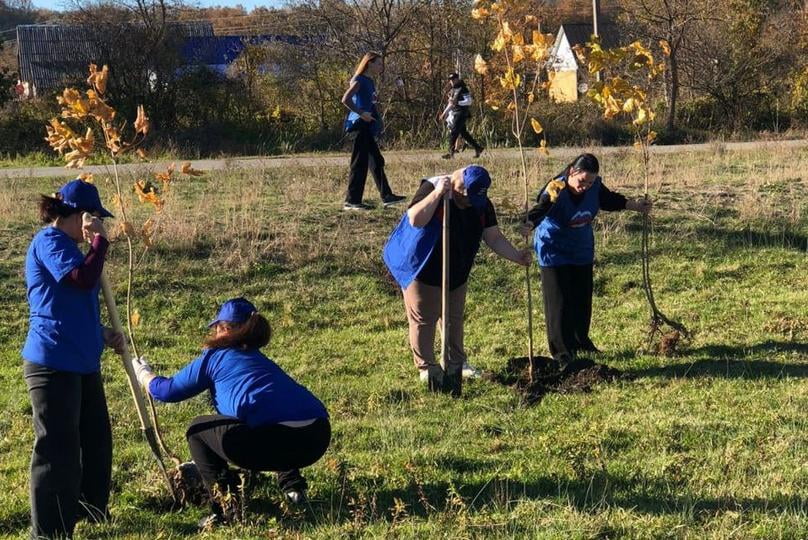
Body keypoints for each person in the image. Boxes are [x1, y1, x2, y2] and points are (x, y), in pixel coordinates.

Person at [133, 298, 331, 528]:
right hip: (317, 436)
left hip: (277, 439)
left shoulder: (215, 358)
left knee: (197, 430)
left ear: (225, 329)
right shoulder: (261, 361)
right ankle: (293, 488)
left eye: (217, 328)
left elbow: (166, 392)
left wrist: (143, 374)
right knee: (270, 418)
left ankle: (225, 509)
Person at [22, 179, 125, 539]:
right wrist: (99, 242)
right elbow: (81, 280)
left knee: (96, 441)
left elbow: (71, 304)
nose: (100, 224)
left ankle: (89, 510)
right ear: (82, 215)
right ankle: (49, 532)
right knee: (57, 451)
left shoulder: (73, 248)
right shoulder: (49, 242)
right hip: (52, 363)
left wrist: (101, 334)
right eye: (96, 217)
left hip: (82, 361)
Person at [383, 165, 531, 396]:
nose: (470, 203)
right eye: (466, 197)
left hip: (457, 268)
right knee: (424, 317)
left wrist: (517, 256)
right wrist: (437, 195)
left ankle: (456, 364)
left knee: (453, 316)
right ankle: (427, 368)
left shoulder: (481, 204)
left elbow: (492, 236)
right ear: (457, 185)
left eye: (475, 199)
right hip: (421, 266)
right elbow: (415, 219)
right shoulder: (433, 187)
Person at [520, 153, 652, 365]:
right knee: (559, 301)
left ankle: (581, 341)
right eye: (582, 181)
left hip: (581, 247)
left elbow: (609, 200)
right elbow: (541, 208)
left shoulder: (595, 186)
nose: (586, 186)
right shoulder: (556, 188)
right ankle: (562, 351)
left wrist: (636, 206)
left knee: (582, 298)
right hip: (554, 247)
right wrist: (528, 224)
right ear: (572, 172)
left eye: (590, 182)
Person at [341, 51, 405, 211]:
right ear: (369, 63)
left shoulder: (370, 82)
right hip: (358, 126)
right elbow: (345, 99)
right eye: (378, 63)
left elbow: (371, 104)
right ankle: (352, 201)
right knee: (359, 163)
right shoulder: (359, 80)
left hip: (366, 127)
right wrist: (362, 113)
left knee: (376, 160)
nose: (381, 66)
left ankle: (387, 197)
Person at [441, 73, 483, 160]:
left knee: (454, 132)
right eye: (450, 80)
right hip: (455, 112)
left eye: (453, 79)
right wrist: (444, 113)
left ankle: (450, 153)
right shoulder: (453, 90)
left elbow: (469, 101)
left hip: (461, 113)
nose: (451, 81)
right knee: (464, 133)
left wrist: (458, 103)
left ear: (457, 79)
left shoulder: (463, 89)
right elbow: (451, 103)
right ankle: (478, 148)